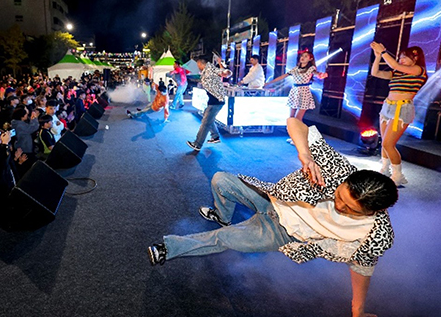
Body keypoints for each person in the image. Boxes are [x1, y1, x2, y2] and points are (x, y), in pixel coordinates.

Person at [148, 118, 398, 317]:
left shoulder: (376, 235)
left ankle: (170, 248)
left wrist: (358, 311)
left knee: (225, 238)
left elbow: (362, 268)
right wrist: (305, 154)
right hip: (273, 198)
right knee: (220, 180)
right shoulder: (339, 168)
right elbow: (294, 123)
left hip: (282, 232)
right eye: (340, 195)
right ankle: (223, 215)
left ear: (372, 212)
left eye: (348, 209)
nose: (338, 204)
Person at [370, 42, 427, 186]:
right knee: (384, 142)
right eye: (400, 57)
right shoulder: (397, 72)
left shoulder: (418, 69)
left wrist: (383, 52)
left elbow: (394, 65)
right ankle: (384, 169)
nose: (401, 59)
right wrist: (378, 57)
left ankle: (398, 174)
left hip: (401, 109)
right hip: (387, 107)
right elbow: (375, 73)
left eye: (405, 57)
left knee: (389, 143)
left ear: (414, 59)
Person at [265, 50, 327, 121]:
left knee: (298, 119)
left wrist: (321, 75)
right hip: (294, 91)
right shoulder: (295, 69)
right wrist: (269, 83)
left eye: (306, 56)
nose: (303, 58)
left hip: (303, 92)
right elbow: (283, 76)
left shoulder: (311, 68)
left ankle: (298, 130)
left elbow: (317, 73)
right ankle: (290, 130)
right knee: (291, 118)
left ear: (310, 59)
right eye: (302, 56)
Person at [186, 55, 228, 151]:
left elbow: (222, 72)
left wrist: (226, 72)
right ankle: (215, 136)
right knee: (208, 118)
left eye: (198, 64)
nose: (197, 66)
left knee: (205, 123)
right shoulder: (206, 71)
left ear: (201, 63)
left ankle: (197, 144)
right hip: (214, 100)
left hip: (216, 101)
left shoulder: (210, 69)